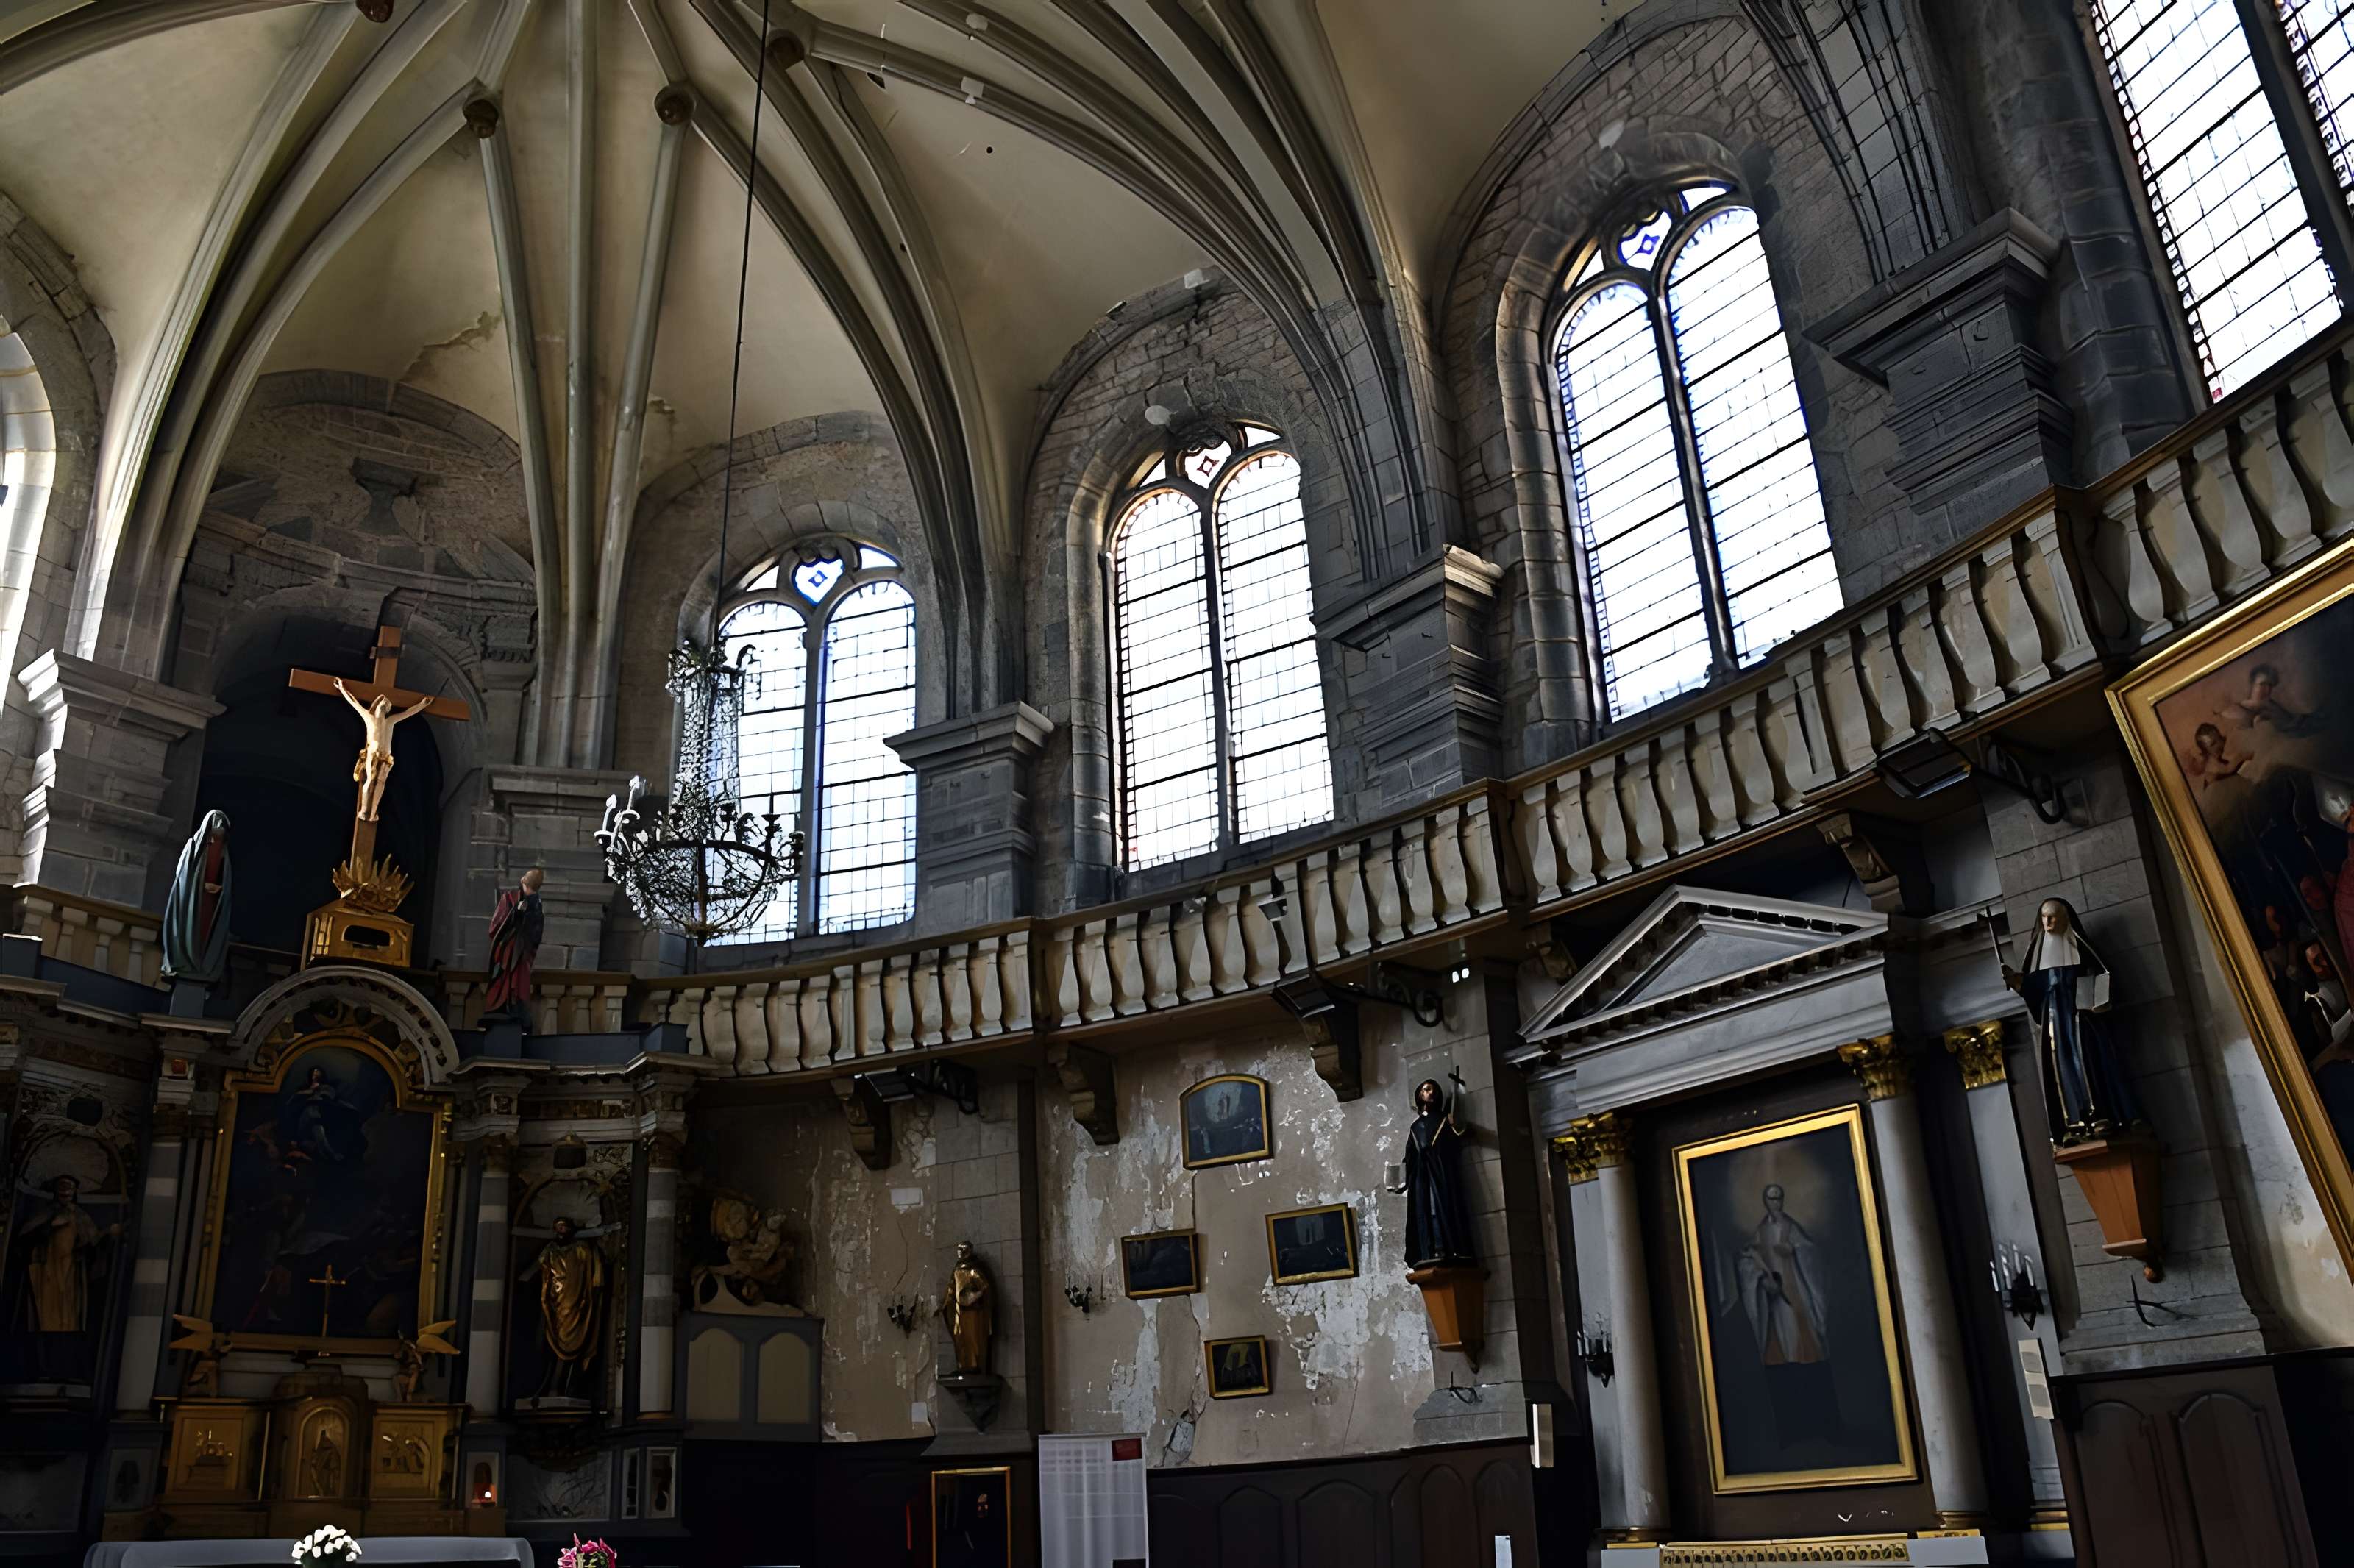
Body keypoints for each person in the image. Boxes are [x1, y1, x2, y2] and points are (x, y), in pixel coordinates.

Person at [2003, 897, 2144, 1144]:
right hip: (2054, 1022)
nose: (2048, 922)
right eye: (2044, 917)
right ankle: (2074, 1124)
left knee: (2088, 1064)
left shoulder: (2079, 947)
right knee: (2062, 1070)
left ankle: (2103, 1117)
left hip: (2081, 1019)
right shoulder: (2038, 951)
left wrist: (2098, 999)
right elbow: (2035, 992)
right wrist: (2018, 982)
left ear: (2066, 918)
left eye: (2054, 916)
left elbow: (2101, 976)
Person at [1394, 1072, 1476, 1267]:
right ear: (1419, 1096)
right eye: (1423, 1090)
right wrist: (1400, 1181)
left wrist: (1456, 1125)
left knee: (1442, 1208)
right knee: (1425, 1211)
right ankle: (1429, 1248)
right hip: (1422, 1176)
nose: (1427, 1092)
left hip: (1440, 1171)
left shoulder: (1444, 1120)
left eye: (1430, 1089)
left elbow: (1460, 1136)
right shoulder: (1416, 1127)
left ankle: (1447, 1247)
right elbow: (1410, 1156)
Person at [522, 1217, 605, 1399]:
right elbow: (538, 1267)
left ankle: (566, 1386)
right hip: (556, 1302)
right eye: (557, 1227)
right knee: (550, 1343)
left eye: (563, 1227)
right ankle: (551, 1386)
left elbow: (594, 1272)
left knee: (574, 1340)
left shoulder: (581, 1249)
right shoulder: (550, 1250)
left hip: (575, 1302)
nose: (559, 1231)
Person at [333, 677, 437, 823]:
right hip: (374, 755)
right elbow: (353, 702)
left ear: (388, 709)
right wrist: (342, 688)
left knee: (380, 784)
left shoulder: (390, 721)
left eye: (387, 704)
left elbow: (409, 713)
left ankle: (373, 813)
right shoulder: (368, 717)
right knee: (370, 781)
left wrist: (422, 705)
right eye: (383, 702)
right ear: (377, 705)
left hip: (386, 758)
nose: (386, 703)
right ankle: (364, 811)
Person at [160, 810, 232, 983]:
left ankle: (203, 963)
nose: (215, 841)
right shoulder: (193, 846)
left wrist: (219, 889)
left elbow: (226, 880)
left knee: (206, 937)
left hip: (210, 906)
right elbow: (184, 880)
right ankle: (184, 960)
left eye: (220, 836)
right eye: (213, 836)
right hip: (192, 905)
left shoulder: (224, 854)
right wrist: (199, 887)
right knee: (189, 931)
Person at [484, 868, 547, 1024]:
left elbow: (536, 931)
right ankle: (501, 1005)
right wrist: (515, 914)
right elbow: (496, 926)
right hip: (507, 948)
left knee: (520, 979)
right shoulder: (510, 898)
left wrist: (528, 918)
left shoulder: (537, 904)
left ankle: (516, 1005)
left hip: (523, 950)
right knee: (503, 976)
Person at [942, 1241, 994, 1373]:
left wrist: (974, 1296)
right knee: (959, 1336)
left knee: (972, 1338)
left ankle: (974, 1365)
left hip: (972, 1312)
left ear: (969, 1251)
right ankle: (963, 1365)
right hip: (959, 1311)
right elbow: (951, 1289)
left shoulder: (973, 1270)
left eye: (963, 1249)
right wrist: (944, 1304)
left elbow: (984, 1287)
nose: (960, 1252)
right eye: (959, 1249)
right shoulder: (957, 1270)